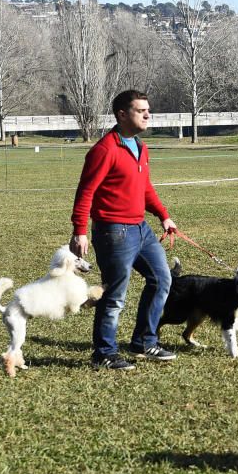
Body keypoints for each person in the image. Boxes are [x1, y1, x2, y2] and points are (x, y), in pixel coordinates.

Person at [70, 89, 178, 371]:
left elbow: (144, 188)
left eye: (148, 110)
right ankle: (104, 353)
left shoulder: (140, 146)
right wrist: (80, 230)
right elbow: (85, 193)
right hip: (114, 231)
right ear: (122, 114)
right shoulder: (105, 150)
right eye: (140, 110)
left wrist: (164, 216)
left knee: (161, 279)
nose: (147, 114)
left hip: (140, 228)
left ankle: (144, 341)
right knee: (115, 294)